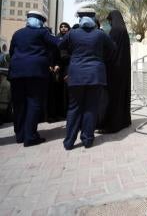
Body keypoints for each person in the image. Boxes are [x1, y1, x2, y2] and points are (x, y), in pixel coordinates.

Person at [59, 8, 115, 150]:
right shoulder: (100, 34)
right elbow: (113, 48)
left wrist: (73, 56)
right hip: (95, 75)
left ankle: (69, 141)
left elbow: (60, 45)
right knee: (91, 107)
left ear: (80, 18)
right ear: (93, 18)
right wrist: (100, 59)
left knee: (74, 108)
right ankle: (88, 139)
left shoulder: (72, 33)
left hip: (76, 74)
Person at [8, 10, 60, 146]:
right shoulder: (43, 32)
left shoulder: (17, 33)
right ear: (41, 21)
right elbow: (58, 43)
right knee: (34, 103)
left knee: (19, 104)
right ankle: (30, 136)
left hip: (16, 72)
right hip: (36, 72)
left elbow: (11, 51)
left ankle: (20, 135)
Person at [101, 10, 132, 133]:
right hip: (123, 69)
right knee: (121, 96)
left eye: (109, 20)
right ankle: (123, 121)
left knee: (112, 97)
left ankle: (113, 125)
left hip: (114, 69)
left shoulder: (115, 31)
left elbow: (110, 50)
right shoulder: (124, 31)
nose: (109, 22)